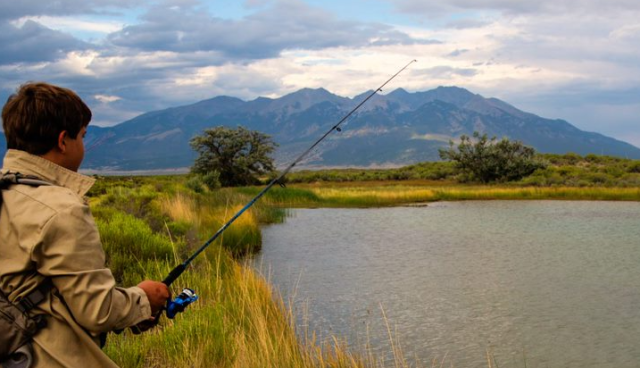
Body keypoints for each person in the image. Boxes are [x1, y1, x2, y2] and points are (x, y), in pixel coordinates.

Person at [0, 82, 171, 367]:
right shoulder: (62, 209)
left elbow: (41, 289)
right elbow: (98, 311)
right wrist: (144, 298)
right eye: (82, 136)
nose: (84, 146)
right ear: (62, 140)